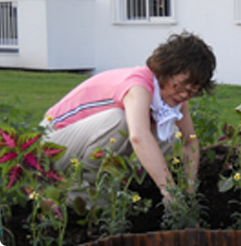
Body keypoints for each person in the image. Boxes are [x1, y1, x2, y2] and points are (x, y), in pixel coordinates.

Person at [41, 31, 216, 206]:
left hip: (82, 147)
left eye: (193, 91)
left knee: (171, 133)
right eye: (180, 86)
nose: (184, 94)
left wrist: (189, 190)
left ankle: (118, 185)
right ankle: (82, 195)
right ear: (165, 70)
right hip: (52, 145)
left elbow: (189, 141)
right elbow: (138, 136)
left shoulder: (174, 99)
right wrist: (169, 191)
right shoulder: (138, 86)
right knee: (120, 120)